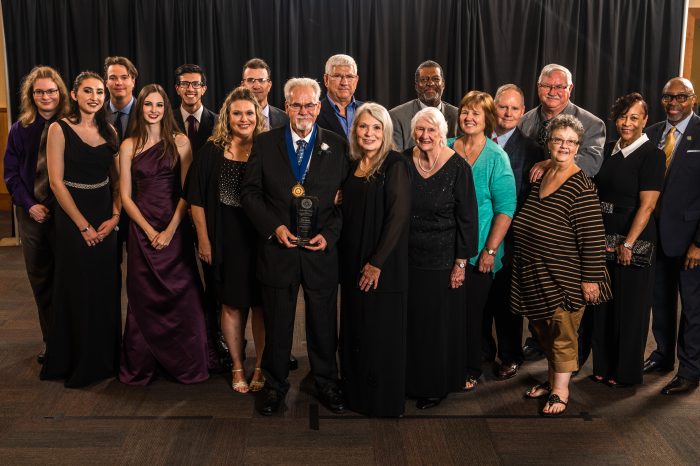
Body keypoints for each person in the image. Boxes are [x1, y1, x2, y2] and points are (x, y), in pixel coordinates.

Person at [241, 77, 349, 415]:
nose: (303, 111)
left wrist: (329, 235)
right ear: (286, 106)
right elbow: (249, 193)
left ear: (319, 107)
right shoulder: (265, 143)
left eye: (310, 105)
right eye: (297, 105)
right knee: (278, 324)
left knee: (322, 325)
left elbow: (345, 203)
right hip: (279, 249)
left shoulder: (337, 144)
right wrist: (274, 228)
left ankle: (327, 382)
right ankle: (274, 387)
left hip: (320, 252)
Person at [512, 114, 611, 416]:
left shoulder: (581, 187)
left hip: (565, 277)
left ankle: (560, 391)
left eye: (571, 142)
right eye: (558, 140)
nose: (564, 146)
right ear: (548, 142)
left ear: (579, 146)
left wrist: (590, 279)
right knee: (546, 334)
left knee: (563, 335)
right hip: (535, 274)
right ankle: (553, 380)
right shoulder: (544, 175)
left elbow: (593, 237)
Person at [117, 84, 210, 385]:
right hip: (141, 228)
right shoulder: (128, 145)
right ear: (140, 108)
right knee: (142, 296)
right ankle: (144, 364)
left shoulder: (181, 142)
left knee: (186, 295)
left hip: (175, 226)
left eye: (159, 105)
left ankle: (187, 363)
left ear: (166, 109)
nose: (153, 110)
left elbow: (188, 191)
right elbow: (126, 196)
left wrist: (169, 231)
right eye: (148, 105)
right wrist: (147, 230)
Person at [517, 64, 606, 363]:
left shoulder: (592, 123)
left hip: (567, 215)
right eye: (546, 86)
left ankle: (564, 372)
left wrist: (551, 163)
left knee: (564, 308)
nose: (552, 92)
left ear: (570, 89)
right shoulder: (526, 121)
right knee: (536, 289)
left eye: (559, 87)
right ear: (539, 87)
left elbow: (592, 165)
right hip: (532, 209)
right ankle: (537, 341)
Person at [40, 71, 121, 388]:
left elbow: (117, 181)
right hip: (73, 217)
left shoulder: (109, 129)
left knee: (104, 288)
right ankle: (75, 361)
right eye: (88, 91)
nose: (94, 97)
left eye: (100, 92)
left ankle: (105, 359)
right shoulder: (59, 129)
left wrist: (115, 216)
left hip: (104, 214)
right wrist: (84, 226)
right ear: (74, 95)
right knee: (77, 288)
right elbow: (56, 183)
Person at [187, 87, 267, 393]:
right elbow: (196, 200)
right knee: (232, 305)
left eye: (249, 113)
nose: (243, 119)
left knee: (261, 306)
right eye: (237, 113)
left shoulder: (267, 147)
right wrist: (204, 241)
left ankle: (259, 365)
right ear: (227, 116)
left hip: (260, 239)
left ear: (257, 116)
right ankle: (236, 365)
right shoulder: (211, 150)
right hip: (225, 239)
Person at [339, 102, 410, 417]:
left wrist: (377, 262)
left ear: (386, 132)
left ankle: (382, 402)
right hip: (352, 259)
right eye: (363, 127)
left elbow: (398, 217)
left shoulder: (395, 164)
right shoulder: (354, 163)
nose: (369, 133)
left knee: (380, 333)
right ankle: (357, 394)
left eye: (376, 127)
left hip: (381, 263)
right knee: (357, 329)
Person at [405, 107, 478, 409]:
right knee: (411, 323)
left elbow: (468, 219)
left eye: (431, 130)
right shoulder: (401, 160)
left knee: (435, 326)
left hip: (442, 260)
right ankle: (409, 379)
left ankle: (434, 385)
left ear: (442, 132)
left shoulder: (458, 167)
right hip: (406, 258)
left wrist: (461, 262)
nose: (424, 136)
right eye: (420, 130)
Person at [590, 93, 664, 388]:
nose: (627, 123)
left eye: (635, 117)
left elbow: (647, 206)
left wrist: (629, 243)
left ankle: (625, 371)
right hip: (603, 233)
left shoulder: (652, 155)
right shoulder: (607, 150)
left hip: (634, 236)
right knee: (604, 305)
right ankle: (603, 366)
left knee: (630, 308)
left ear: (645, 120)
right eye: (623, 116)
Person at [447, 91, 516, 391]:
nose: (469, 117)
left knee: (471, 314)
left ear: (487, 118)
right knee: (447, 311)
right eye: (465, 111)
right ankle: (445, 361)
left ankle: (470, 368)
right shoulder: (447, 147)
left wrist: (490, 250)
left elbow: (505, 208)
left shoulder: (496, 156)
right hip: (445, 248)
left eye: (476, 113)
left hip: (479, 251)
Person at [3, 66, 69, 364]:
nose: (46, 96)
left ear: (61, 93)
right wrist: (29, 204)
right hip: (32, 215)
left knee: (67, 280)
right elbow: (11, 173)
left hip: (65, 214)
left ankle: (73, 340)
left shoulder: (73, 125)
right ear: (32, 95)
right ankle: (51, 341)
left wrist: (57, 206)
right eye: (40, 91)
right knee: (41, 279)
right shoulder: (20, 128)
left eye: (51, 91)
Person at [484, 84, 544, 380]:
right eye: (502, 106)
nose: (507, 113)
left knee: (506, 300)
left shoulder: (533, 150)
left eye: (514, 108)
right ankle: (482, 349)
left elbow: (531, 199)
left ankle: (510, 355)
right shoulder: (477, 139)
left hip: (512, 237)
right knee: (478, 297)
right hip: (479, 230)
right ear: (493, 107)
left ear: (523, 113)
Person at [645, 77, 700, 395]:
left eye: (681, 96)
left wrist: (699, 243)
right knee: (661, 303)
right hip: (658, 237)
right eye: (668, 97)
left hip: (691, 241)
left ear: (693, 99)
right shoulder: (652, 134)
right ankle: (662, 356)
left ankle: (691, 370)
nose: (674, 102)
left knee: (693, 309)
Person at [390, 60, 459, 151]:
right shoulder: (397, 116)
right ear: (416, 86)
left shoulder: (457, 115)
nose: (430, 83)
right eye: (424, 79)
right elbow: (396, 160)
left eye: (435, 79)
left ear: (443, 84)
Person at [173, 64, 218, 155]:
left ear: (203, 89)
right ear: (177, 89)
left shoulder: (218, 121)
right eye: (184, 84)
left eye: (196, 84)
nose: (190, 89)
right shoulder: (167, 120)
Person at [317, 54, 363, 140]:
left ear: (356, 81)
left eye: (349, 76)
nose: (344, 83)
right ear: (326, 79)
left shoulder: (367, 111)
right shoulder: (314, 113)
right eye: (337, 76)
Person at [241, 58, 289, 130]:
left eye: (261, 80)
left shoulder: (285, 119)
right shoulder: (232, 118)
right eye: (251, 80)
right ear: (243, 85)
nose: (256, 86)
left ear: (269, 85)